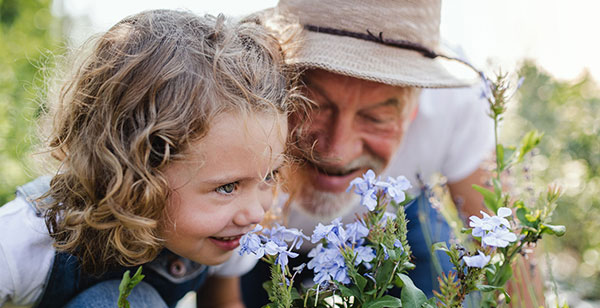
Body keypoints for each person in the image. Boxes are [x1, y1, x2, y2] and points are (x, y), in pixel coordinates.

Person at [0, 9, 300, 308]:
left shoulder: (224, 234)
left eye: (269, 176)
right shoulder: (28, 240)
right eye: (227, 187)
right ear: (137, 171)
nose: (254, 214)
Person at [241, 0, 495, 306]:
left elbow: (503, 247)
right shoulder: (233, 87)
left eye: (375, 119)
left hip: (391, 227)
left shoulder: (458, 105)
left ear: (413, 110)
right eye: (313, 106)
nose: (337, 150)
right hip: (257, 237)